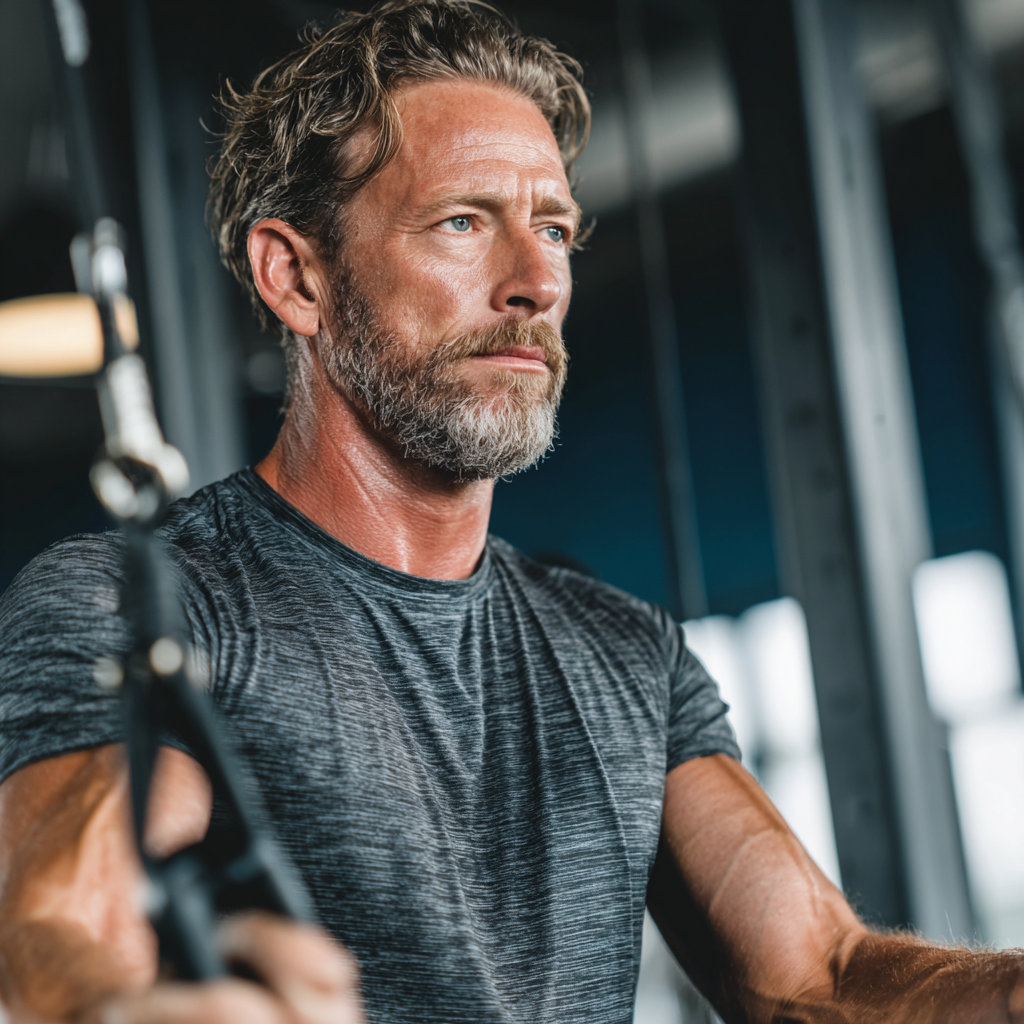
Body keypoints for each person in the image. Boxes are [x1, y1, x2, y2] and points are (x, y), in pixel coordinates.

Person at [1, 2, 1023, 1022]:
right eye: (462, 222)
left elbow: (820, 979)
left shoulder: (625, 652)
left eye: (554, 229)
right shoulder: (153, 605)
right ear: (297, 276)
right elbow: (62, 933)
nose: (537, 282)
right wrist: (111, 1008)